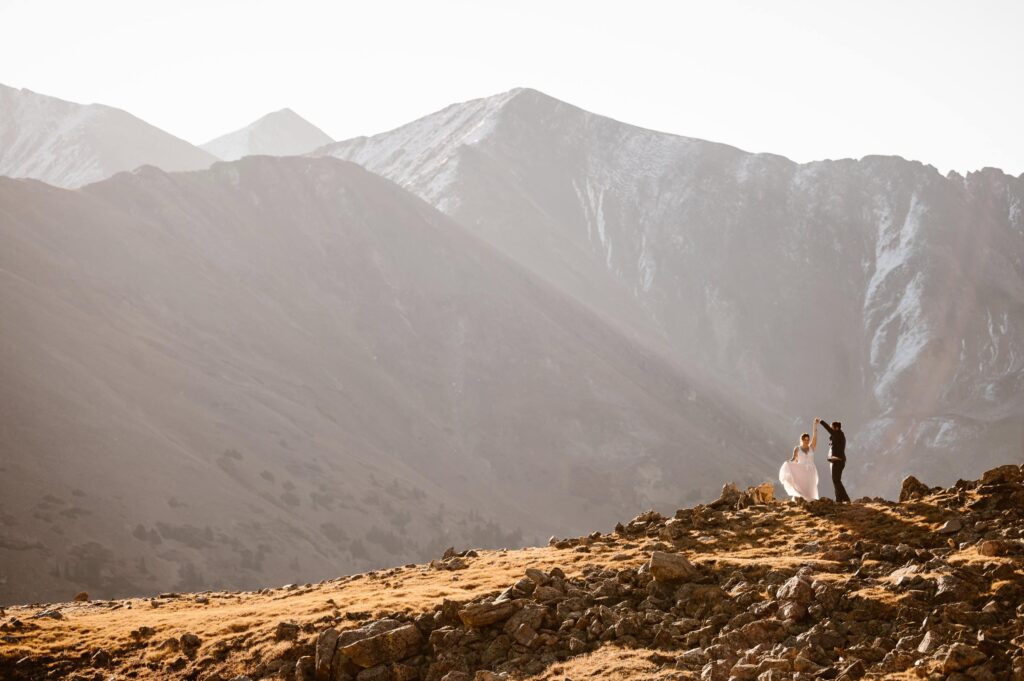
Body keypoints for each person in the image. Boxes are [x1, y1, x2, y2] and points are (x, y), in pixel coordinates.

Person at [779, 419, 819, 500]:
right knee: (801, 486)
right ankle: (801, 500)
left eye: (808, 439)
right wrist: (788, 463)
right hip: (801, 470)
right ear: (802, 440)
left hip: (811, 470)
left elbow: (815, 437)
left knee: (810, 486)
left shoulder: (811, 448)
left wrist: (815, 426)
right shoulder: (797, 448)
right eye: (805, 439)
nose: (807, 441)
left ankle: (810, 500)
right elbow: (794, 459)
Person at [818, 419, 851, 503]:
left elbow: (828, 429)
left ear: (836, 428)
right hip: (838, 461)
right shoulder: (840, 435)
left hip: (838, 461)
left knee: (836, 480)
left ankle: (846, 498)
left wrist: (821, 421)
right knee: (836, 480)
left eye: (832, 427)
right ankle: (838, 500)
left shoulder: (837, 434)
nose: (831, 429)